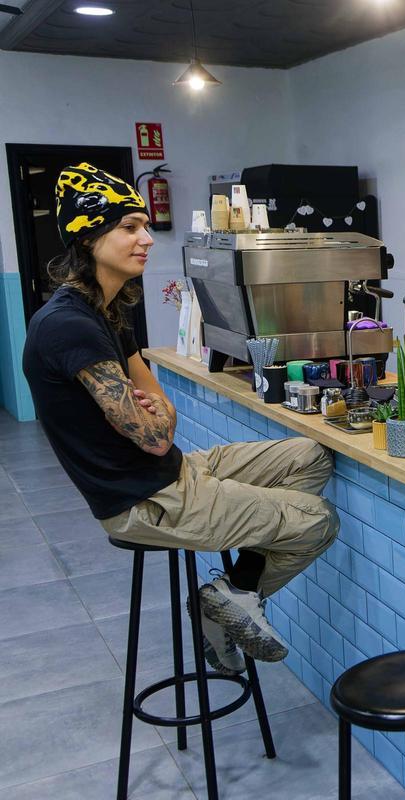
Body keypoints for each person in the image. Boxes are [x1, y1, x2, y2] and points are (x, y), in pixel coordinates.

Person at [22, 163, 339, 675]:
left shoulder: (104, 313)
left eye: (145, 225)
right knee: (318, 520)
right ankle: (227, 601)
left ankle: (231, 595)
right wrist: (156, 417)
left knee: (309, 455)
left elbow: (161, 413)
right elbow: (151, 436)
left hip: (174, 471)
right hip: (141, 500)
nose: (147, 238)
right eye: (129, 227)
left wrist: (158, 414)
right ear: (88, 236)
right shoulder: (68, 327)